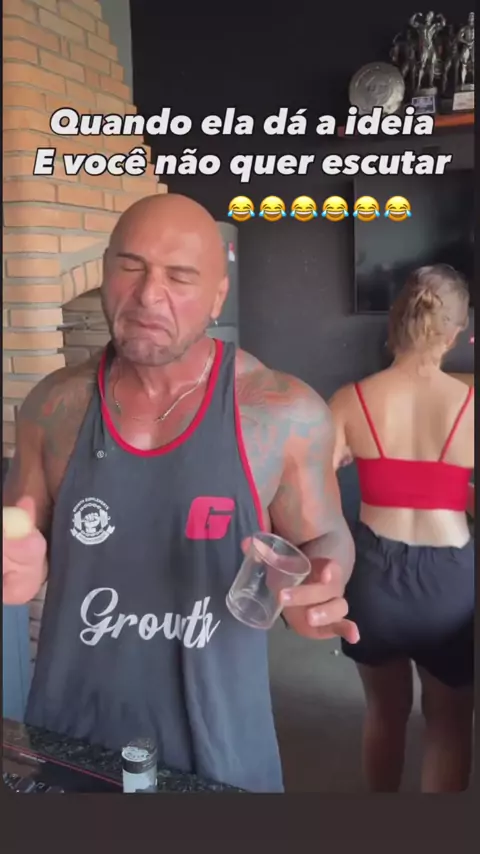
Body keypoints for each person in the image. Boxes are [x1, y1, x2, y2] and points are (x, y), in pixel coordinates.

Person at [3, 193, 356, 793]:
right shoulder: (53, 407)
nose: (148, 295)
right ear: (106, 271)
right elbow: (24, 537)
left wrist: (324, 578)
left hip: (220, 744)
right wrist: (21, 562)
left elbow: (324, 533)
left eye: (180, 276)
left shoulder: (281, 412)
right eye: (131, 267)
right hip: (70, 736)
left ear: (218, 296)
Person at [329, 265, 474, 794]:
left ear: (395, 323)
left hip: (373, 576)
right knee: (450, 725)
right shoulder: (470, 404)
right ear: (456, 333)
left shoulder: (351, 398)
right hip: (449, 582)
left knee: (383, 714)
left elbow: (311, 488)